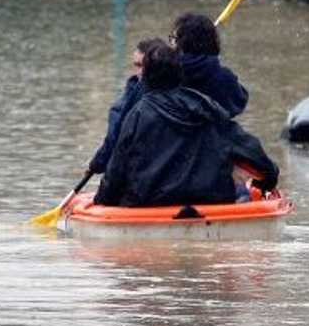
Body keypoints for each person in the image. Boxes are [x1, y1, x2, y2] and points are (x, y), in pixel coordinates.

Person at [96, 40, 279, 207]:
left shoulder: (136, 115)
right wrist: (269, 177)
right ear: (179, 73)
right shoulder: (208, 108)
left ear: (147, 76)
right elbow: (248, 148)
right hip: (210, 201)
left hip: (148, 202)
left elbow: (116, 169)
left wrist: (102, 200)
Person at [86, 39, 154, 175]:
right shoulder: (126, 100)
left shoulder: (127, 103)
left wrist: (97, 164)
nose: (140, 72)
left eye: (143, 66)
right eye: (137, 65)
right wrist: (97, 163)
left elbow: (114, 138)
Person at [170, 12, 248, 118]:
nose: (170, 43)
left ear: (182, 42)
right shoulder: (223, 77)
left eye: (173, 38)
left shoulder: (164, 74)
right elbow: (240, 99)